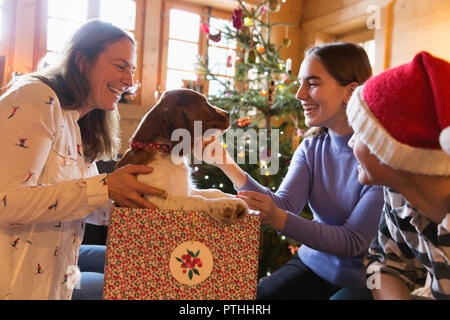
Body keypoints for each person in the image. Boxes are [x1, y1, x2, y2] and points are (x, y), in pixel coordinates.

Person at [199, 42, 384, 299]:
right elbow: (284, 204)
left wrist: (279, 218)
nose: (299, 94)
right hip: (312, 265)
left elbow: (354, 242)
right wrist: (224, 162)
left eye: (313, 83)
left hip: (366, 283)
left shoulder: (381, 157)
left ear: (350, 92)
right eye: (300, 82)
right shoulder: (311, 147)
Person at [0, 19, 167, 300]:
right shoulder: (36, 96)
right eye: (120, 66)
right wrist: (106, 188)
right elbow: (5, 201)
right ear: (82, 62)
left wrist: (141, 200)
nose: (129, 81)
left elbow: (81, 202)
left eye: (132, 70)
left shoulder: (76, 124)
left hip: (53, 282)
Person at [331, 51, 450, 300]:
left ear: (396, 149)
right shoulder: (398, 194)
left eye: (361, 132)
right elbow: (379, 264)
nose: (351, 143)